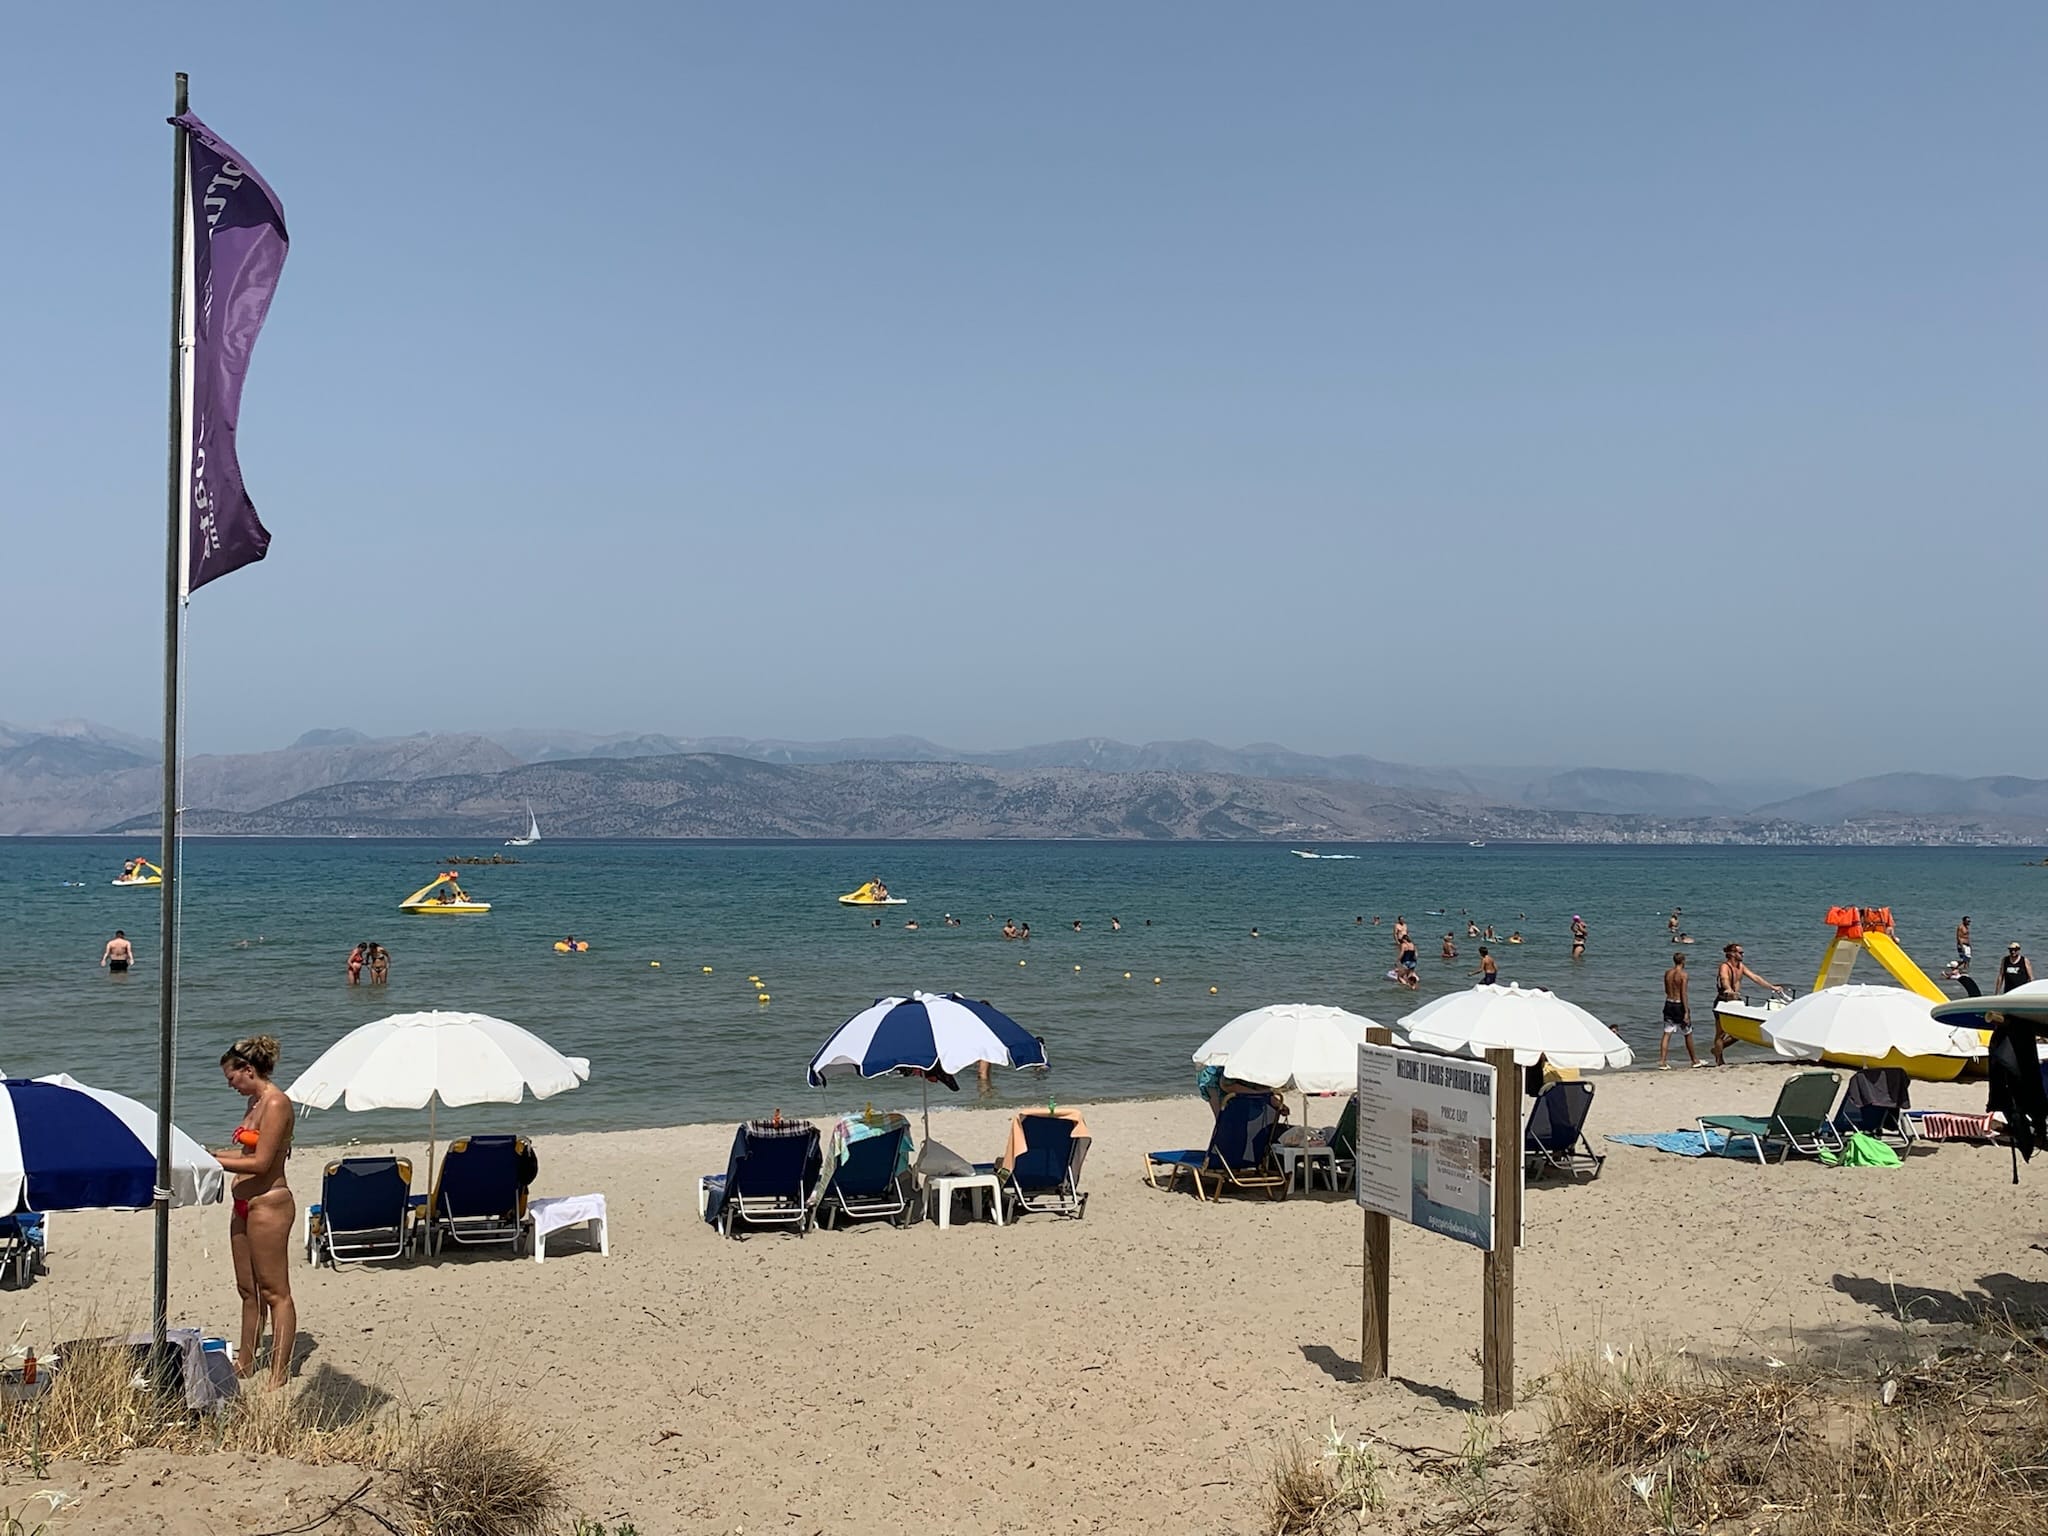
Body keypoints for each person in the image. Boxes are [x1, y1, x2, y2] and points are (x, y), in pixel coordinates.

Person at [214, 1035, 296, 1387]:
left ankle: (279, 1371)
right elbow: (247, 1153)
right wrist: (208, 1154)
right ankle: (245, 1361)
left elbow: (261, 1163)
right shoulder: (254, 1102)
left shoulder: (276, 1102)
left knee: (275, 1291)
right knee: (248, 1289)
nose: (230, 1086)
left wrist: (214, 1161)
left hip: (269, 1203)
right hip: (243, 1203)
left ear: (248, 1069)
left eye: (232, 1078)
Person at [1712, 943, 1782, 1066]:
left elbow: (1755, 977)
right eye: (1740, 953)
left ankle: (1716, 1050)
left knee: (1738, 1033)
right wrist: (1728, 989)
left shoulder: (1741, 967)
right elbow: (1724, 979)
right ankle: (1719, 1059)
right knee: (1720, 1033)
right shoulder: (1724, 966)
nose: (1743, 955)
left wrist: (1772, 987)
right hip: (1724, 1001)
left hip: (1736, 1001)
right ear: (1732, 954)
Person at [1660, 953, 1699, 1068]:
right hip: (1678, 1004)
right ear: (1683, 961)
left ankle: (1662, 1061)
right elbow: (1683, 994)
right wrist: (1686, 1011)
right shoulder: (1683, 975)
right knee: (1688, 1033)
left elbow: (1666, 990)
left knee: (1667, 1033)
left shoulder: (1667, 973)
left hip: (1668, 1003)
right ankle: (1694, 1060)